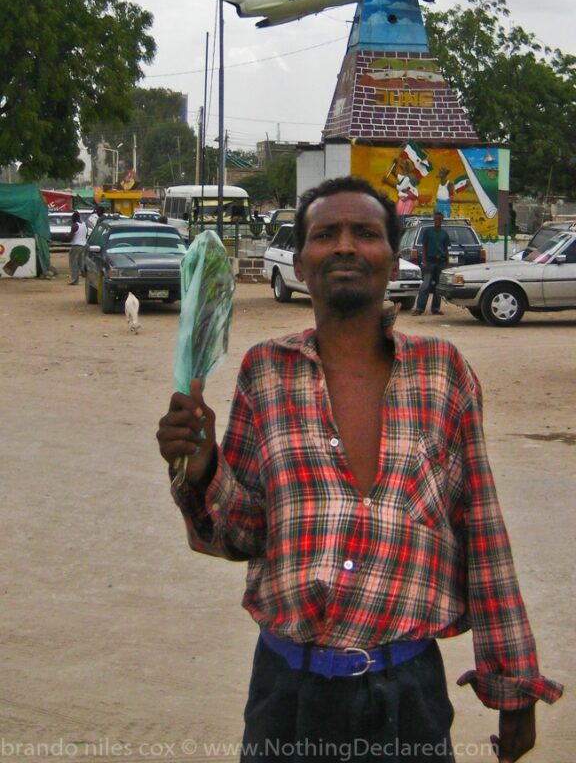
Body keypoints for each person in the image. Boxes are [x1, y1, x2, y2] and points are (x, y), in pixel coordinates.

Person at [157, 176, 562, 763]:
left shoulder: (443, 373)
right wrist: (200, 468)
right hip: (286, 695)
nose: (345, 245)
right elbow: (241, 533)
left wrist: (513, 682)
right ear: (300, 259)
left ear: (393, 258)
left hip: (407, 697)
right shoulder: (264, 372)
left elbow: (483, 529)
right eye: (325, 234)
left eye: (365, 233)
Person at [412, 211, 450, 316]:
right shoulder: (428, 232)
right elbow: (424, 247)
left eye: (439, 220)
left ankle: (436, 308)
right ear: (434, 220)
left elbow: (446, 249)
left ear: (442, 221)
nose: (437, 221)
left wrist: (447, 262)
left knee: (439, 287)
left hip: (441, 263)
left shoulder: (444, 234)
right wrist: (424, 261)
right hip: (430, 262)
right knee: (425, 285)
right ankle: (419, 308)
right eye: (436, 219)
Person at [68, 210, 87, 285]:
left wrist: (67, 236)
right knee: (81, 263)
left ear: (74, 218)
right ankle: (85, 275)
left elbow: (70, 237)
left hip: (76, 246)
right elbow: (85, 235)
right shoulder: (84, 225)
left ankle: (74, 280)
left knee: (74, 263)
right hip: (83, 245)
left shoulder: (75, 225)